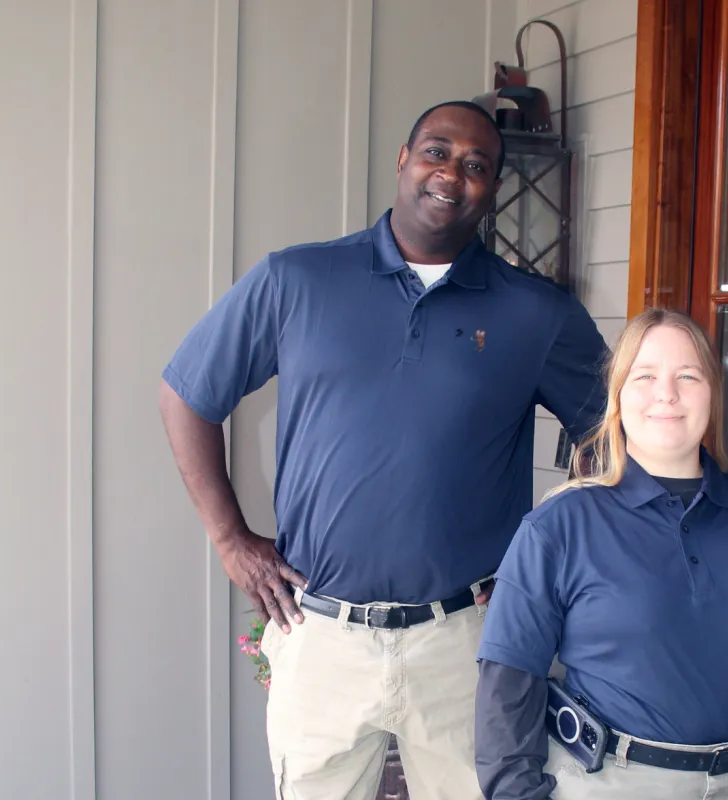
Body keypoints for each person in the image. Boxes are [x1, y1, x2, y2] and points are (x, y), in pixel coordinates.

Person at [158, 99, 609, 800]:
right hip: (320, 632)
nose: (452, 173)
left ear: (493, 189)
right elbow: (187, 393)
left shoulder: (535, 314)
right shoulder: (297, 280)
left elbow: (613, 437)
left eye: (477, 165)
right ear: (403, 159)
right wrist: (230, 538)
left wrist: (560, 568)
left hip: (466, 640)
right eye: (436, 151)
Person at [474, 308, 728, 800]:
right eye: (645, 376)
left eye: (687, 376)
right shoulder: (559, 527)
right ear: (618, 395)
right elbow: (508, 686)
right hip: (610, 784)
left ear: (712, 392)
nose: (666, 393)